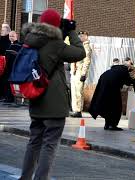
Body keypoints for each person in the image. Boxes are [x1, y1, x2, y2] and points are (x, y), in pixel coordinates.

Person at [19, 9, 85, 180]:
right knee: (49, 145)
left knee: (34, 142)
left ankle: (24, 177)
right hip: (54, 105)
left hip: (36, 100)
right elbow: (80, 52)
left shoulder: (30, 40)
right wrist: (71, 31)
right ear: (56, 26)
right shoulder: (56, 45)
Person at [89, 64, 135, 131]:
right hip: (112, 81)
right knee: (116, 105)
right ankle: (112, 125)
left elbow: (113, 67)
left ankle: (107, 124)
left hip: (104, 76)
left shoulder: (129, 69)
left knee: (108, 103)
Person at [70, 31, 92, 118]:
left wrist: (83, 74)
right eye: (79, 36)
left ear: (86, 37)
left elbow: (87, 62)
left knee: (79, 91)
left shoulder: (87, 47)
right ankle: (75, 109)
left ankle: (78, 110)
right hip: (74, 71)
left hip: (80, 71)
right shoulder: (78, 46)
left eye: (82, 36)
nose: (80, 37)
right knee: (74, 91)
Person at [4, 31, 22, 102]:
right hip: (8, 66)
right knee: (7, 82)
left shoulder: (18, 45)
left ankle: (10, 98)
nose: (11, 37)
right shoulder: (9, 45)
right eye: (10, 36)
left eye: (12, 36)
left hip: (14, 66)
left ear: (16, 36)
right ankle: (8, 97)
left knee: (12, 82)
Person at [0, 23, 11, 100]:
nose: (2, 30)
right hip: (1, 61)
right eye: (2, 28)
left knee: (4, 78)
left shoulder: (9, 40)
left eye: (4, 29)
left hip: (5, 61)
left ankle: (4, 95)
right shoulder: (1, 38)